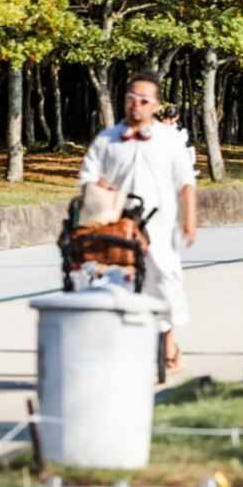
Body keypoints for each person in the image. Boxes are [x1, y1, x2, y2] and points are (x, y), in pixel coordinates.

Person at [77, 71, 197, 372]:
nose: (136, 105)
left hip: (160, 227)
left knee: (166, 283)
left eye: (144, 100)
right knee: (114, 285)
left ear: (155, 105)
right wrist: (99, 187)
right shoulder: (107, 140)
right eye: (131, 99)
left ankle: (168, 341)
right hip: (115, 227)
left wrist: (189, 222)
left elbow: (186, 183)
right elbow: (87, 178)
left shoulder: (169, 139)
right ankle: (122, 350)